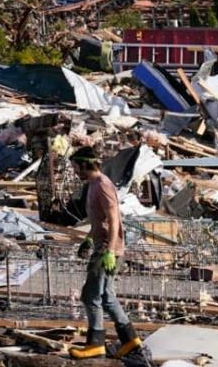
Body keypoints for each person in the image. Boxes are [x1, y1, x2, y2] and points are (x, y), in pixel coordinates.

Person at [68, 146, 142, 360]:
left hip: (107, 250)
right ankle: (130, 340)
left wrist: (110, 250)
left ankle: (95, 344)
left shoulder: (103, 185)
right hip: (102, 246)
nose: (75, 172)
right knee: (107, 295)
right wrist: (89, 238)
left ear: (85, 164)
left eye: (76, 167)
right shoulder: (92, 185)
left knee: (91, 295)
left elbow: (113, 219)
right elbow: (98, 221)